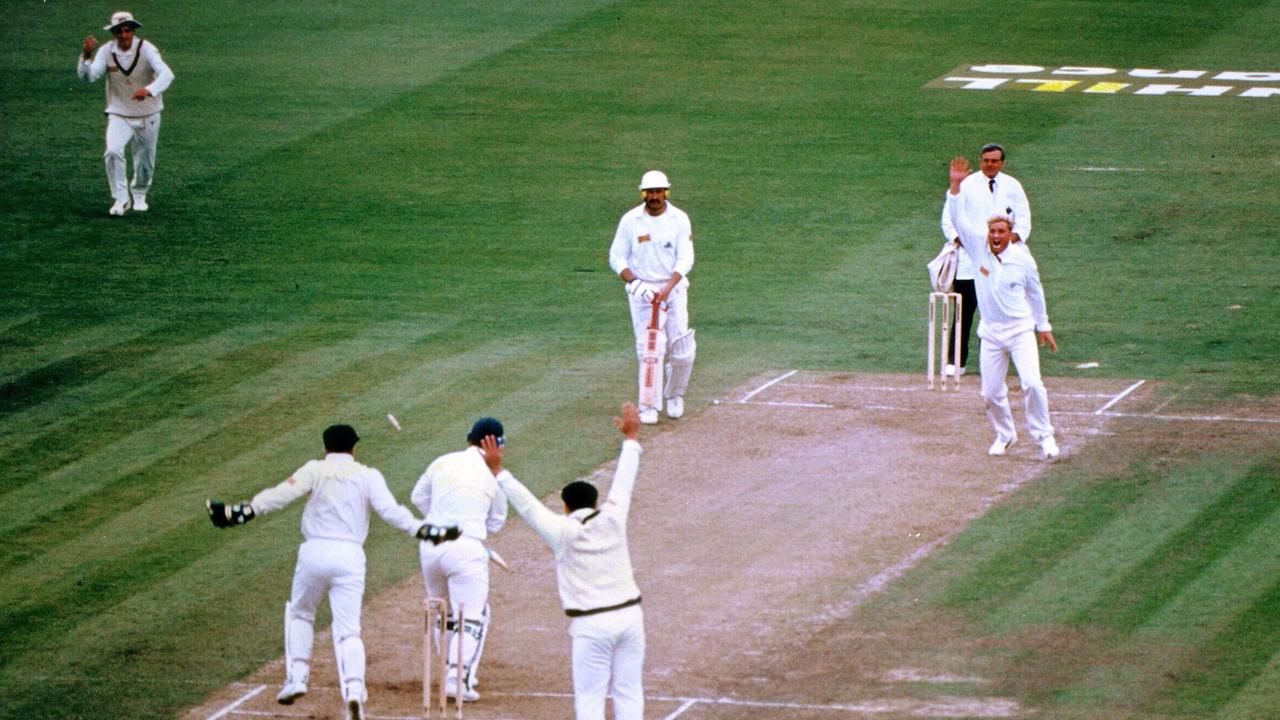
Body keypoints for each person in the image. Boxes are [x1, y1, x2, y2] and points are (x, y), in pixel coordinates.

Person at [206, 424, 429, 720]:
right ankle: (353, 691)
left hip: (314, 553)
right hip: (350, 556)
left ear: (326, 448)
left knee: (300, 613)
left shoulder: (315, 469)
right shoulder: (367, 475)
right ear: (354, 448)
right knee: (349, 630)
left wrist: (244, 511)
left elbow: (281, 494)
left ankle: (297, 678)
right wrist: (421, 529)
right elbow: (390, 511)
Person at [481, 403, 646, 720]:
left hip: (591, 624)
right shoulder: (613, 517)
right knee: (629, 692)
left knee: (590, 699)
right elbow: (625, 479)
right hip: (630, 618)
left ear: (566, 507)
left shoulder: (561, 529)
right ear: (595, 502)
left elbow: (528, 507)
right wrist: (632, 437)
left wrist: (498, 470)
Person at [945, 156, 1060, 460]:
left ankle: (1044, 436)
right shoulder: (978, 248)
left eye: (1001, 233)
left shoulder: (1024, 260)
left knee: (1033, 384)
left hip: (1021, 331)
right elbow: (957, 219)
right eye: (992, 232)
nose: (995, 237)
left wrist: (1043, 326)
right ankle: (1005, 435)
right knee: (990, 393)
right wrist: (955, 186)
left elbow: (1036, 293)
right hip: (992, 334)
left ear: (1009, 234)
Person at [410, 417, 509, 702]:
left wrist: (441, 519)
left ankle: (450, 673)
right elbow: (497, 522)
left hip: (431, 546)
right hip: (467, 549)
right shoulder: (494, 477)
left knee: (444, 614)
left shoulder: (442, 461)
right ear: (496, 444)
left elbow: (418, 497)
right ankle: (457, 678)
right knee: (473, 617)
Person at [609, 170, 697, 424]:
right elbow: (616, 257)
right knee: (650, 349)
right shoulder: (630, 220)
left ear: (666, 192)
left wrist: (668, 288)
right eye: (650, 192)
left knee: (681, 348)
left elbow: (686, 258)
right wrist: (635, 283)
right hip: (643, 293)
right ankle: (647, 405)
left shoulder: (679, 219)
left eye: (659, 192)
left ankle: (675, 395)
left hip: (673, 288)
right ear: (643, 193)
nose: (654, 197)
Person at [939, 143, 1032, 377]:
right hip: (970, 261)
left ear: (1002, 163)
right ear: (980, 161)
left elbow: (1024, 220)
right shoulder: (967, 184)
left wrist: (1008, 241)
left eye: (994, 161)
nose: (990, 164)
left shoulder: (1012, 185)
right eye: (986, 160)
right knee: (963, 311)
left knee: (995, 313)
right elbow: (950, 220)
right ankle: (955, 362)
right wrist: (968, 242)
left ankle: (991, 364)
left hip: (1002, 262)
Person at [77, 11, 174, 216]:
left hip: (149, 113)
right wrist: (86, 57)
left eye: (127, 30)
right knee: (112, 151)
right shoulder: (106, 51)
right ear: (113, 33)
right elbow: (88, 77)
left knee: (145, 160)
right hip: (119, 113)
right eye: (119, 31)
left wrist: (149, 90)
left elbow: (167, 74)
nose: (123, 35)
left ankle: (139, 194)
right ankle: (120, 199)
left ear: (133, 31)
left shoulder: (146, 49)